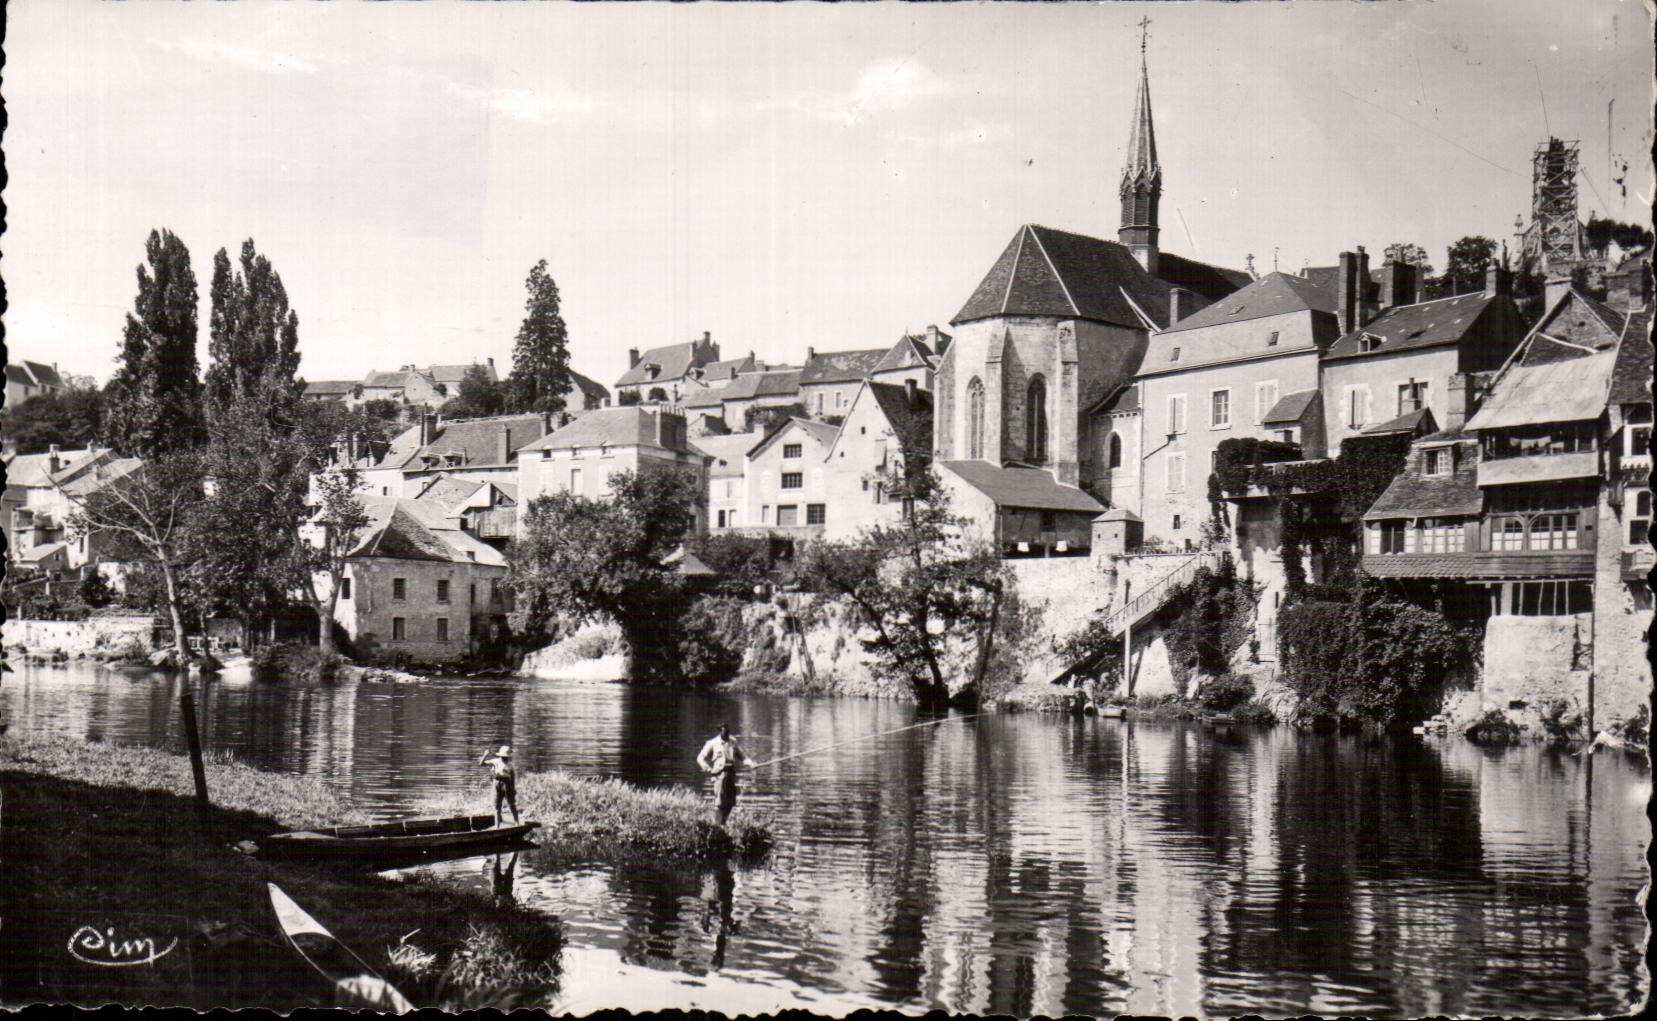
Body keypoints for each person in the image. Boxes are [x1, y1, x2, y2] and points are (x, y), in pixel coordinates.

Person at [696, 723, 749, 827]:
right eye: (724, 731)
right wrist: (707, 769)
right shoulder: (712, 743)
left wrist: (751, 763)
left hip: (731, 774)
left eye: (728, 730)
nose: (726, 733)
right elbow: (700, 758)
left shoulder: (733, 742)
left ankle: (723, 824)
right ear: (720, 731)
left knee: (730, 802)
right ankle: (717, 826)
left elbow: (743, 757)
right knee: (719, 802)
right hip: (719, 775)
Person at [478, 744, 520, 826]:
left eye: (506, 757)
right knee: (497, 806)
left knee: (511, 803)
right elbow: (481, 764)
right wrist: (485, 755)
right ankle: (497, 826)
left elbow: (512, 777)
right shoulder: (495, 761)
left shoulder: (510, 765)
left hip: (507, 783)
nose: (505, 758)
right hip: (496, 782)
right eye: (504, 756)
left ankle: (517, 822)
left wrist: (513, 788)